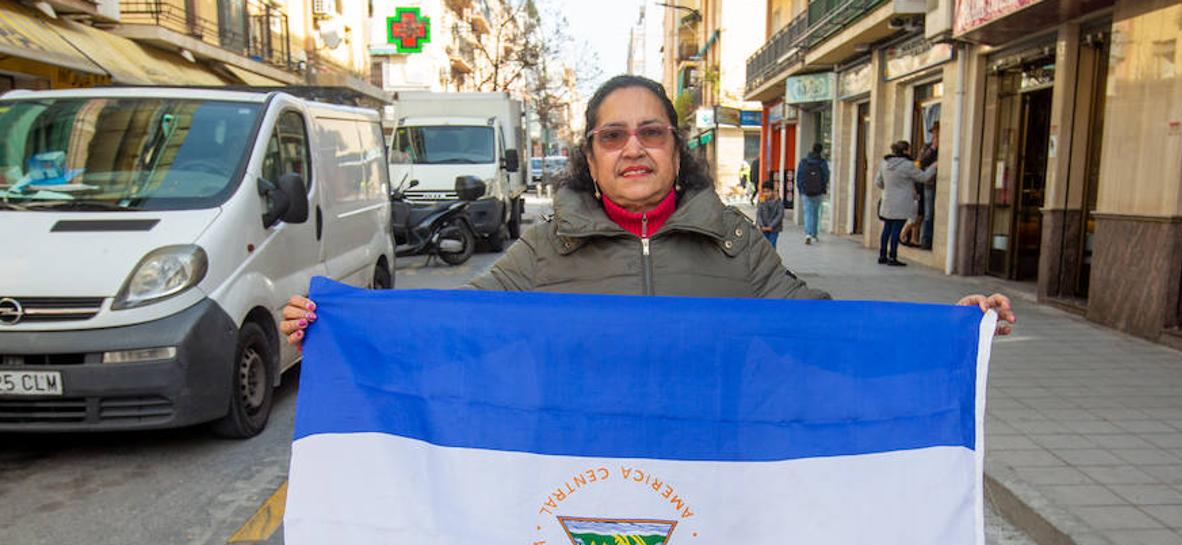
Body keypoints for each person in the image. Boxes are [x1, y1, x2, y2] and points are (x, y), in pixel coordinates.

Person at [281, 76, 1013, 344]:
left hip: (712, 489)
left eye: (651, 131)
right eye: (613, 135)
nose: (634, 147)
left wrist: (956, 329)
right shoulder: (543, 249)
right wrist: (344, 328)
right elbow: (452, 330)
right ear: (591, 157)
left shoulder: (734, 243)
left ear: (675, 148)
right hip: (580, 491)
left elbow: (826, 333)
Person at [875, 140, 937, 267]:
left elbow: (878, 182)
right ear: (905, 151)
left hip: (887, 200)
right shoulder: (908, 165)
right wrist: (934, 167)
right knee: (896, 230)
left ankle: (882, 255)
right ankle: (893, 257)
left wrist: (889, 187)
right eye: (909, 149)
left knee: (887, 228)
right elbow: (923, 177)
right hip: (902, 202)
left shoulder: (884, 163)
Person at [796, 143, 829, 245]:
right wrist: (823, 187)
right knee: (815, 213)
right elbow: (826, 176)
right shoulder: (822, 162)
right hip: (818, 191)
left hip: (806, 191)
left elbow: (799, 176)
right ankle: (814, 234)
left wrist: (801, 189)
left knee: (808, 212)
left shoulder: (804, 162)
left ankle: (808, 234)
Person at [919, 122, 939, 249]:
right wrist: (933, 149)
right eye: (933, 132)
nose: (934, 135)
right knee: (928, 213)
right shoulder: (927, 147)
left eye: (936, 132)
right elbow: (920, 162)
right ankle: (926, 240)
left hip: (941, 183)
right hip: (929, 183)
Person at [755, 180, 784, 249]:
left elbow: (780, 215)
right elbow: (758, 214)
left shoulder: (778, 201)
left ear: (773, 191)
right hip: (763, 228)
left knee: (772, 245)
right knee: (764, 245)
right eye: (764, 192)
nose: (766, 194)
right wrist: (761, 225)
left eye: (768, 191)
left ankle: (772, 259)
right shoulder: (761, 200)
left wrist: (771, 226)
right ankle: (766, 259)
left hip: (774, 229)